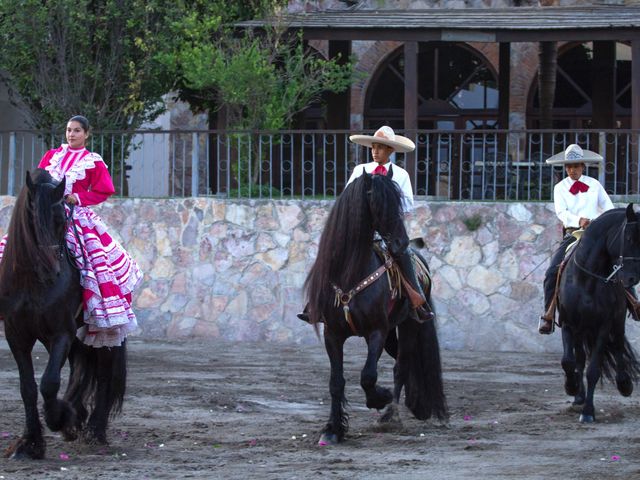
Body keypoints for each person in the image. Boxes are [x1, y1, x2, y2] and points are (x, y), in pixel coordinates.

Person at [0, 115, 143, 347]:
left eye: (77, 130)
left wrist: (79, 197)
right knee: (10, 248)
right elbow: (40, 180)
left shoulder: (92, 161)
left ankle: (87, 311)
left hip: (75, 215)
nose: (71, 134)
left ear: (87, 134)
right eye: (69, 130)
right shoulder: (52, 155)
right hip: (47, 215)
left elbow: (104, 190)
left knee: (90, 263)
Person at [298, 125, 434, 324]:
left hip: (386, 230)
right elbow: (347, 199)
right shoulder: (360, 171)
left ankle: (417, 300)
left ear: (391, 150)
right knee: (330, 252)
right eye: (373, 147)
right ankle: (316, 303)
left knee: (404, 254)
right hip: (358, 230)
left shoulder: (400, 175)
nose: (375, 151)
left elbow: (406, 207)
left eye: (380, 147)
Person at [538, 143, 614, 334]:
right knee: (551, 273)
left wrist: (600, 223)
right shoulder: (560, 188)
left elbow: (609, 208)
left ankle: (633, 302)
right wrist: (578, 220)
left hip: (597, 233)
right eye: (569, 167)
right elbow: (561, 212)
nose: (573, 170)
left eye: (576, 166)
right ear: (565, 168)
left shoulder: (595, 185)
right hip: (573, 233)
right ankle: (549, 314)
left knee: (617, 264)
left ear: (583, 166)